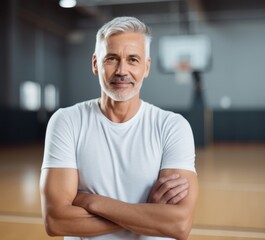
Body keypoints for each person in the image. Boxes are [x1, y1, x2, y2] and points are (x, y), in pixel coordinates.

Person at [40, 16, 198, 240]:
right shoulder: (66, 121)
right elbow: (56, 221)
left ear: (146, 67)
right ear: (96, 64)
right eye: (112, 59)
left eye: (133, 59)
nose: (122, 70)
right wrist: (147, 212)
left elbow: (179, 224)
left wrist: (91, 201)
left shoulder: (173, 127)